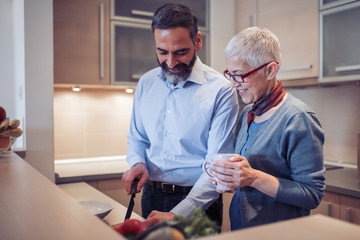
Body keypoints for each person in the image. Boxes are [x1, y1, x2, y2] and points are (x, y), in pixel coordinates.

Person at [122, 3, 239, 227]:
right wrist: (138, 163)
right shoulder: (146, 83)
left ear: (198, 42)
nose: (170, 62)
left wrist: (179, 213)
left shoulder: (221, 90)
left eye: (180, 52)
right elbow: (137, 137)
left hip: (198, 204)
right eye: (162, 51)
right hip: (151, 196)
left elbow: (217, 166)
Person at [208, 26, 325, 230]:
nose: (233, 83)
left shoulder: (298, 118)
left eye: (240, 74)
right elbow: (248, 177)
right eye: (230, 73)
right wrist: (232, 178)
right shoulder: (249, 112)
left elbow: (311, 194)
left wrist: (252, 177)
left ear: (270, 70)